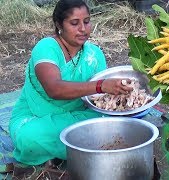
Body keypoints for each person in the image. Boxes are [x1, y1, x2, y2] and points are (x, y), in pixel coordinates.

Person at [9, 0, 132, 166]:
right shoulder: (46, 48)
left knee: (120, 124)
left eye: (87, 22)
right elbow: (54, 89)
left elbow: (100, 99)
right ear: (59, 24)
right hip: (36, 117)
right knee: (28, 138)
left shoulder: (94, 54)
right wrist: (100, 85)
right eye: (74, 23)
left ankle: (65, 150)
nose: (83, 29)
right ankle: (86, 148)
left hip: (80, 115)